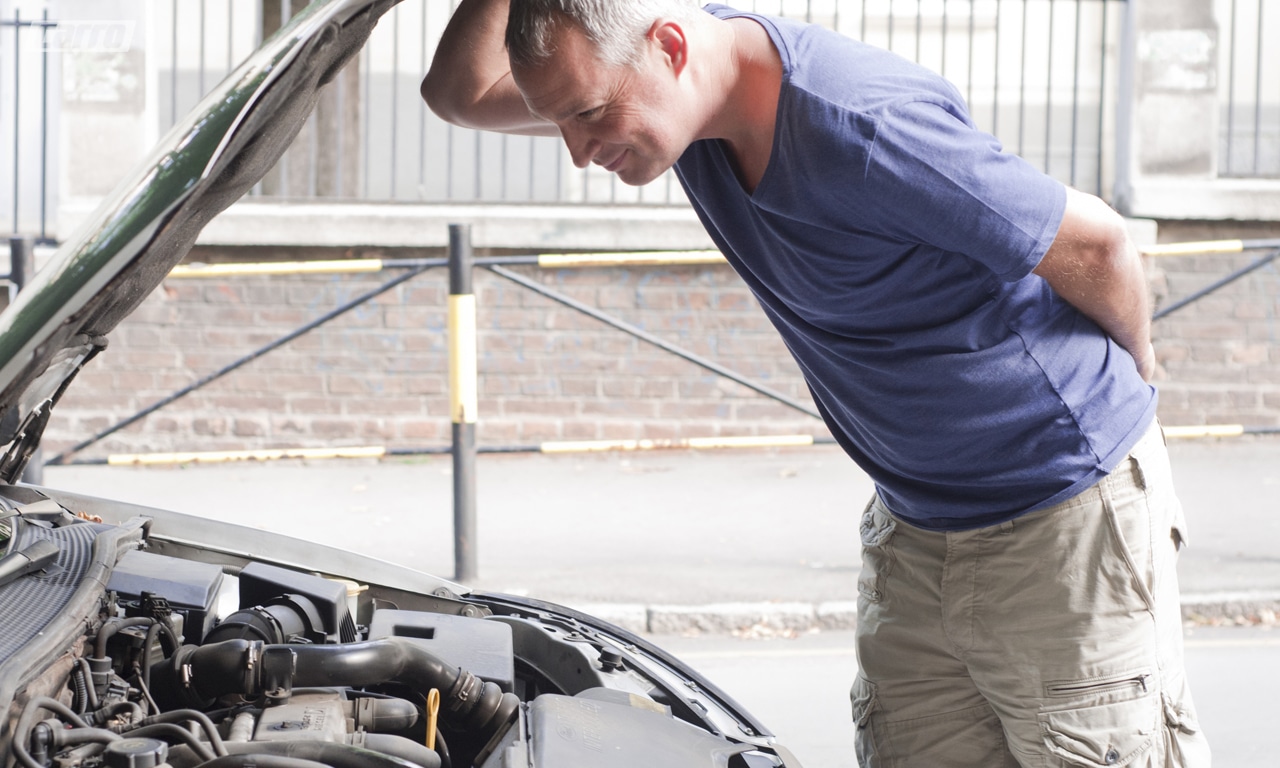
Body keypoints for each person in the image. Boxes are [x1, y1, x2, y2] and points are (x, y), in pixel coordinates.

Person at [422, 2, 1211, 765]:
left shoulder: (863, 125)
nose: (577, 150)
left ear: (671, 47)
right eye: (558, 119)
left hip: (1061, 519)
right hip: (917, 525)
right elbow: (457, 93)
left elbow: (1099, 246)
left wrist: (1136, 368)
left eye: (588, 113)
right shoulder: (685, 111)